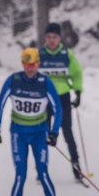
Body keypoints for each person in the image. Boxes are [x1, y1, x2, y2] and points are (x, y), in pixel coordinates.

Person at [0, 48, 64, 196]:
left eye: (32, 65)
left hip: (39, 134)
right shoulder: (14, 80)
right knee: (20, 175)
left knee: (43, 173)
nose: (29, 69)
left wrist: (54, 132)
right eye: (26, 65)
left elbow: (58, 108)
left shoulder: (44, 82)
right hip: (18, 134)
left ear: (38, 64)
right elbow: (0, 105)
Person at [39, 22, 85, 181]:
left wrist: (78, 92)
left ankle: (76, 167)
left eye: (55, 37)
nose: (51, 40)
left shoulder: (67, 54)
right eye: (49, 37)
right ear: (45, 38)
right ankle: (41, 168)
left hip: (62, 97)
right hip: (44, 99)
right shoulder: (39, 54)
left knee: (67, 132)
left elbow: (76, 74)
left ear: (59, 38)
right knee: (43, 134)